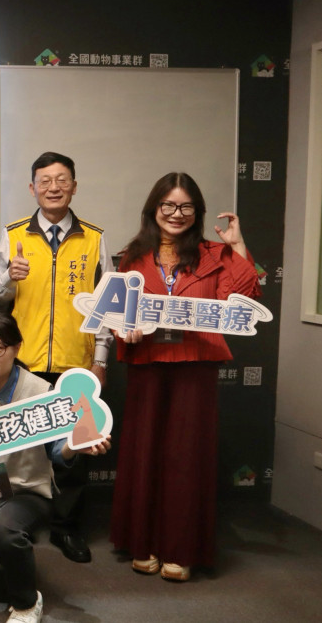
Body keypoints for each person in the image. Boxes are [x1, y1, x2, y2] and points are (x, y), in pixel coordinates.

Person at [110, 172, 261, 582]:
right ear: (154, 209)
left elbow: (243, 299)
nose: (176, 214)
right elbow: (116, 313)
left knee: (186, 456)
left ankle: (180, 549)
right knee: (144, 451)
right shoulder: (132, 256)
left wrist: (237, 247)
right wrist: (125, 330)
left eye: (186, 207)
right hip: (148, 362)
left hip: (195, 365)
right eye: (168, 205)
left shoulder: (213, 254)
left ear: (197, 212)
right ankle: (142, 542)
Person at [0, 312, 110, 623]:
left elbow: (57, 452)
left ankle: (27, 601)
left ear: (16, 347)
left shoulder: (41, 391)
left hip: (24, 491)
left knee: (4, 529)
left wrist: (76, 445)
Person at [0, 151, 113, 563]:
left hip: (75, 362)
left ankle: (66, 528)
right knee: (17, 446)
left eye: (62, 180)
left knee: (75, 448)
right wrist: (9, 279)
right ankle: (12, 521)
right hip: (24, 362)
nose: (53, 187)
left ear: (74, 186)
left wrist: (100, 359)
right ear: (32, 188)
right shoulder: (13, 235)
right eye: (45, 181)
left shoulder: (94, 238)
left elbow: (106, 307)